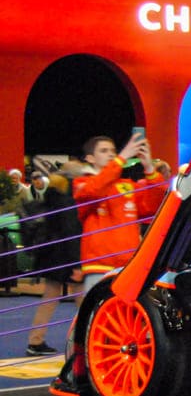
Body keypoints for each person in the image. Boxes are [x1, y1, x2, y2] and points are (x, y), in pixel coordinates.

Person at [74, 133, 167, 293]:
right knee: (98, 309)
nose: (111, 154)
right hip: (99, 266)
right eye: (104, 151)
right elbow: (94, 191)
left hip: (129, 266)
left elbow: (152, 208)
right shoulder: (82, 183)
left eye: (113, 151)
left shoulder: (127, 185)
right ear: (90, 158)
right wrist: (121, 158)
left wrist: (149, 169)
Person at [25, 172, 83, 356]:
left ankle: (35, 340)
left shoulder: (50, 200)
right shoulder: (68, 203)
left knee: (49, 299)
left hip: (51, 257)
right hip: (66, 257)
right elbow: (70, 234)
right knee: (83, 299)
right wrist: (76, 264)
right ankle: (89, 338)